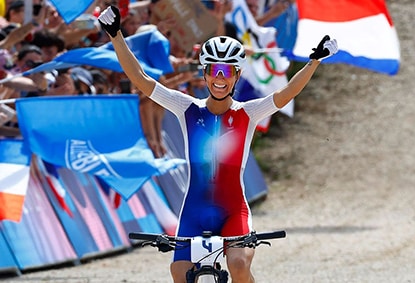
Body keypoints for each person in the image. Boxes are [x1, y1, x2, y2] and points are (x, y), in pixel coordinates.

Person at [98, 5, 337, 283]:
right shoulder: (185, 107)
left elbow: (285, 94)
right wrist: (115, 35)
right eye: (214, 70)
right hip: (194, 211)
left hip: (233, 210)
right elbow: (141, 79)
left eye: (226, 71)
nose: (220, 78)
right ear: (205, 74)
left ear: (236, 75)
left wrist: (314, 61)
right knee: (179, 272)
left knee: (237, 265)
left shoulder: (249, 112)